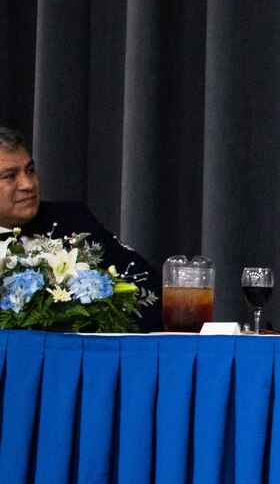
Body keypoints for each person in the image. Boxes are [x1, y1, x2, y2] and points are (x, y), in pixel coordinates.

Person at [0, 126, 162, 331]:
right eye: (10, 176)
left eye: (30, 171)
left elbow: (150, 288)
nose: (28, 184)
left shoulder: (72, 221)